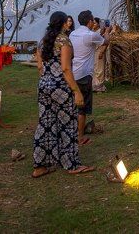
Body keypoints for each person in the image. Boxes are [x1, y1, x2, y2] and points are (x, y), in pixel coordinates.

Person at [32, 11, 94, 178]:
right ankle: (72, 164)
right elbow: (66, 68)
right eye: (66, 21)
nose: (69, 23)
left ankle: (40, 165)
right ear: (62, 23)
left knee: (45, 125)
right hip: (61, 87)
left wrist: (47, 82)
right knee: (68, 125)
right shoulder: (63, 41)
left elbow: (39, 67)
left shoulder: (42, 42)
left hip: (44, 85)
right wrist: (76, 91)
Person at [70, 10, 111, 143]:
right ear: (89, 22)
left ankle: (72, 134)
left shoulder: (73, 34)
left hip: (72, 74)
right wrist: (107, 31)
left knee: (73, 107)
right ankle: (80, 137)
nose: (94, 23)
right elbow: (105, 42)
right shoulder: (90, 35)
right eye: (93, 20)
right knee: (82, 108)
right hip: (84, 75)